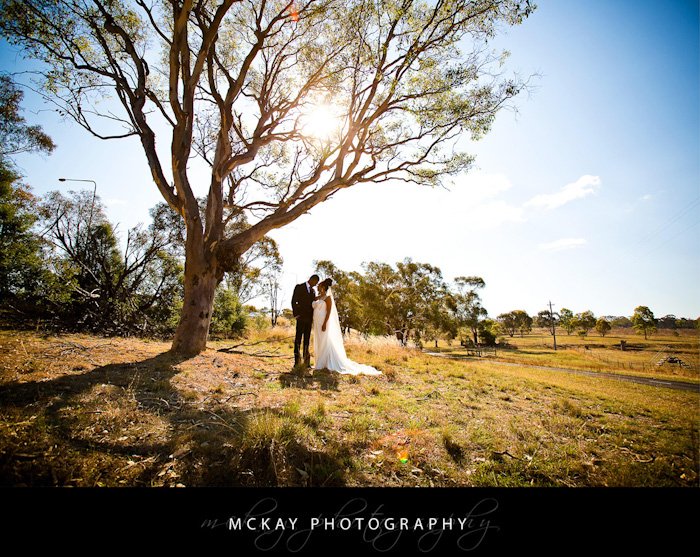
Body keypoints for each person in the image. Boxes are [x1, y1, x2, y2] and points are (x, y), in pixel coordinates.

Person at [312, 278, 381, 375]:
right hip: (316, 323)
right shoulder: (318, 297)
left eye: (319, 285)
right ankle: (320, 361)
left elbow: (328, 312)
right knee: (319, 341)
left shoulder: (328, 298)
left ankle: (325, 363)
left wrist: (324, 323)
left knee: (325, 341)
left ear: (323, 287)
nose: (317, 287)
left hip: (323, 322)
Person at [292, 274, 319, 369]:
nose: (315, 285)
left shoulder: (313, 291)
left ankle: (306, 362)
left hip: (309, 319)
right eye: (315, 283)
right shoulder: (299, 287)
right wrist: (296, 314)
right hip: (300, 318)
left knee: (307, 340)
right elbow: (294, 301)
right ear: (311, 280)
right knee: (298, 339)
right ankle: (296, 361)